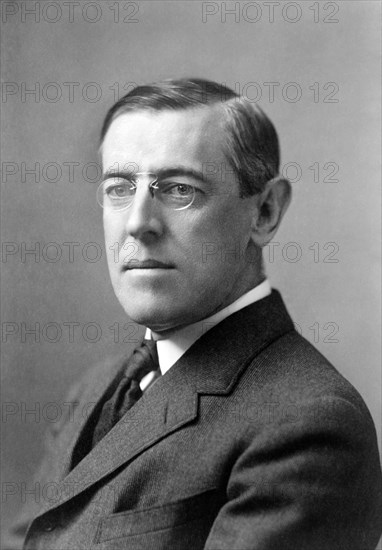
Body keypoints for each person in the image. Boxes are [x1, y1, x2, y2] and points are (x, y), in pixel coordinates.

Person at [9, 78, 382, 549]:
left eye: (179, 189)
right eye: (119, 188)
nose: (137, 222)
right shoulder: (95, 388)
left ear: (264, 211)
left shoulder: (309, 426)